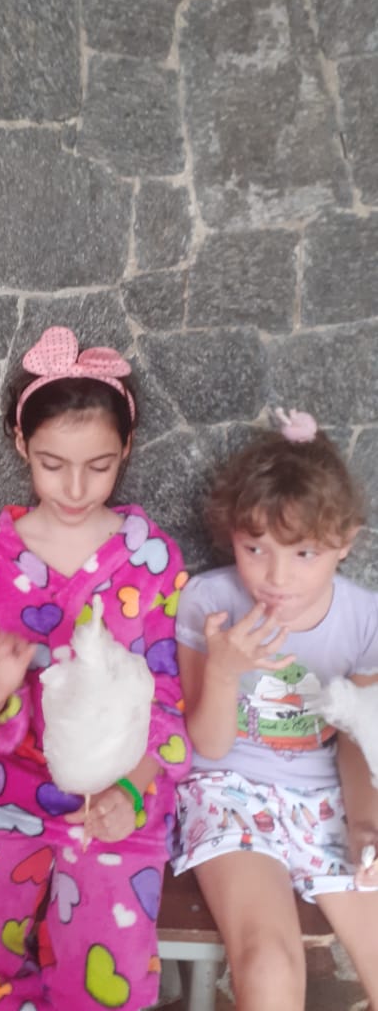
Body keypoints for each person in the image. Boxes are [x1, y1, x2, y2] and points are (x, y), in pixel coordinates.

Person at [0, 326, 191, 1010]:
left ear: (127, 448)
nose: (74, 487)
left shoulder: (152, 557)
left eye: (99, 466)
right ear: (20, 443)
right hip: (8, 787)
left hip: (120, 790)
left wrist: (132, 793)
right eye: (52, 463)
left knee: (105, 985)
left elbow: (168, 697)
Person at [172, 409, 378, 1011]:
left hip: (327, 797)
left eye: (304, 552)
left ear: (345, 542)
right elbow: (207, 746)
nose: (276, 576)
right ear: (232, 535)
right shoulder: (209, 601)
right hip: (226, 791)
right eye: (254, 547)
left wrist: (365, 822)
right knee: (268, 964)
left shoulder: (365, 619)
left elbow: (354, 736)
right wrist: (224, 670)